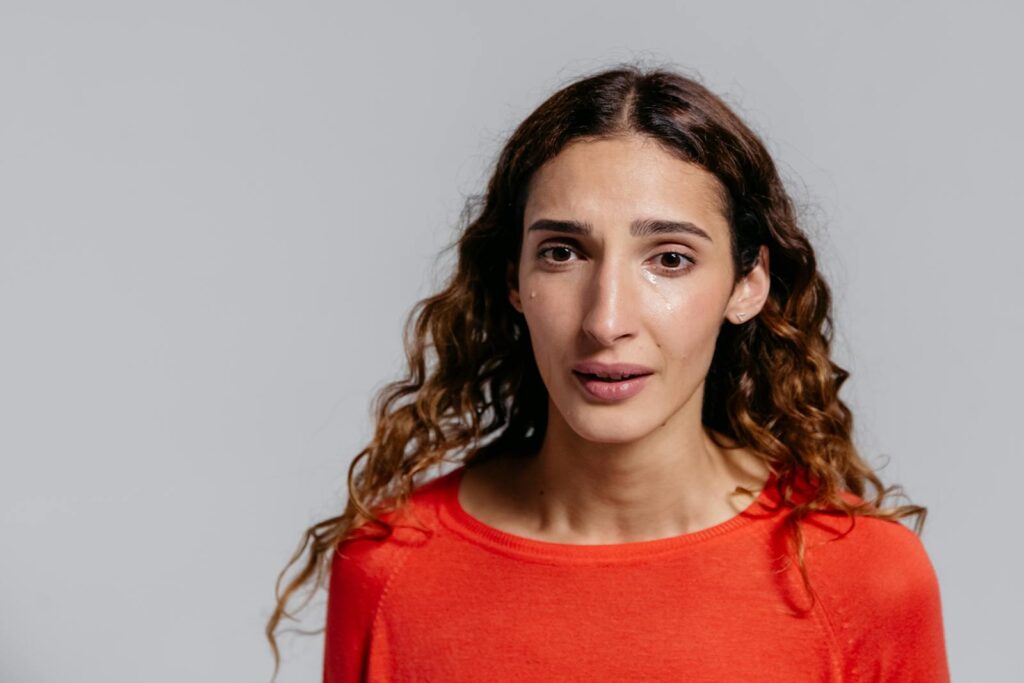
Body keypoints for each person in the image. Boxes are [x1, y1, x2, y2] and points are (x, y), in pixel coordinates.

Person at [265, 64, 950, 682]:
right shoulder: (391, 568)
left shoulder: (862, 576)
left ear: (748, 283)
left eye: (670, 258)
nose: (605, 318)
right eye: (563, 253)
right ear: (514, 278)